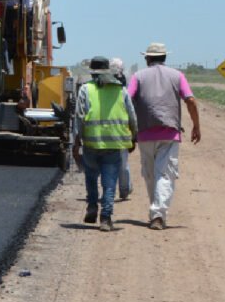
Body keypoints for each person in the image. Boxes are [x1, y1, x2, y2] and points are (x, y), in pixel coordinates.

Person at [127, 42, 202, 230]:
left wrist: (128, 129)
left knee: (150, 174)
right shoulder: (177, 76)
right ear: (165, 57)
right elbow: (190, 100)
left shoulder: (138, 76)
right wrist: (196, 126)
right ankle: (158, 214)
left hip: (144, 133)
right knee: (165, 175)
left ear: (147, 58)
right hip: (169, 133)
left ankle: (157, 213)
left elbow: (126, 100)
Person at [72, 55, 138, 232]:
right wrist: (133, 137)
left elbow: (79, 117)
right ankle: (106, 218)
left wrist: (76, 141)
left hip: (91, 144)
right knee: (109, 183)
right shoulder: (121, 90)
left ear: (92, 73)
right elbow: (132, 116)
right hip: (114, 144)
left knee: (91, 177)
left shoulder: (86, 89)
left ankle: (92, 207)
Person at [111, 57, 133, 200]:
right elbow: (131, 112)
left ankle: (119, 189)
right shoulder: (123, 88)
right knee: (122, 163)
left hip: (113, 130)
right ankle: (124, 189)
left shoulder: (122, 88)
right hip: (120, 130)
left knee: (114, 163)